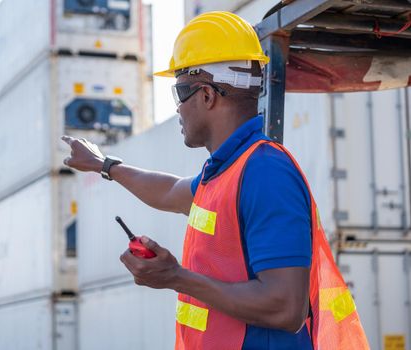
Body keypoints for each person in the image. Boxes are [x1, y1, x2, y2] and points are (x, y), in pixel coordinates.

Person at [62, 11, 368, 350]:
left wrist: (176, 277)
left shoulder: (266, 171)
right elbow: (169, 191)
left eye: (179, 92)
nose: (177, 108)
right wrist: (104, 165)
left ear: (207, 95)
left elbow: (285, 307)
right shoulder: (226, 173)